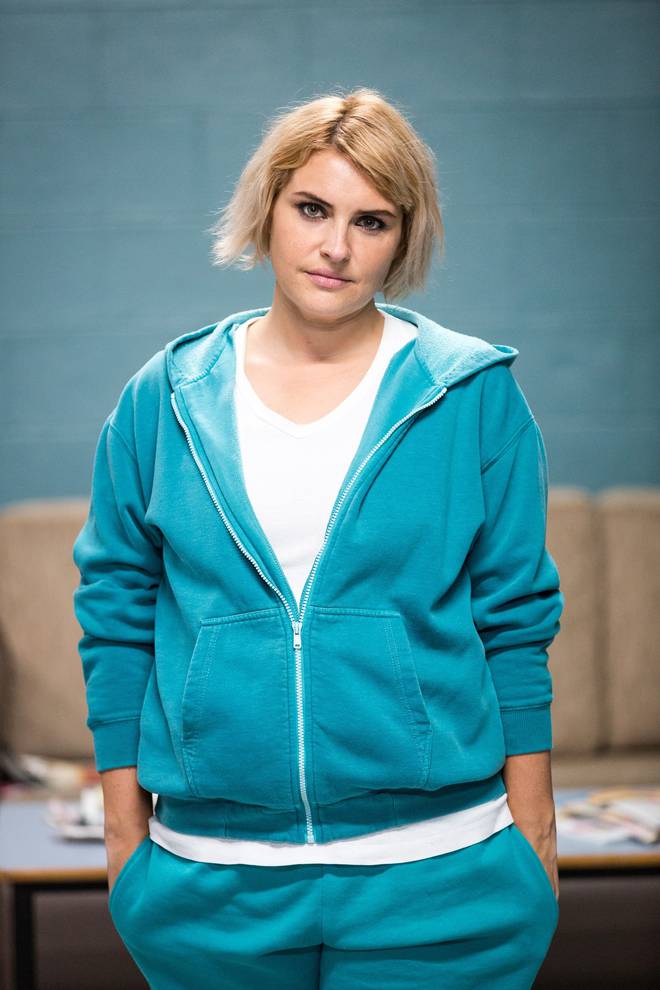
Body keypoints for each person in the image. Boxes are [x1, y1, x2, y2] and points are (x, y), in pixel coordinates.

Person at [72, 87, 564, 989]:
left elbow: (516, 616)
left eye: (371, 221)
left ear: (402, 240)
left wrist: (535, 838)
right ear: (268, 209)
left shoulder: (471, 393)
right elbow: (115, 610)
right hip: (210, 886)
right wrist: (122, 837)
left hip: (442, 873)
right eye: (312, 209)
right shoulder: (165, 397)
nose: (336, 246)